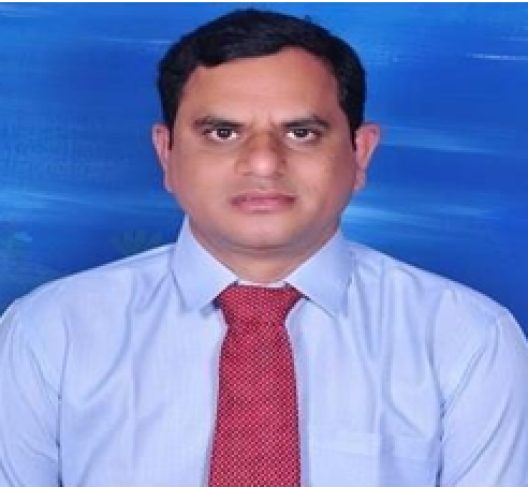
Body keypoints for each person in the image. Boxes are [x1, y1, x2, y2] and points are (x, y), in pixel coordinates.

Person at [0, 8, 527, 487]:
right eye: (223, 132)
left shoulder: (467, 341)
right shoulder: (49, 333)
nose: (263, 163)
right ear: (167, 153)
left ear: (360, 153)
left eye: (301, 132)